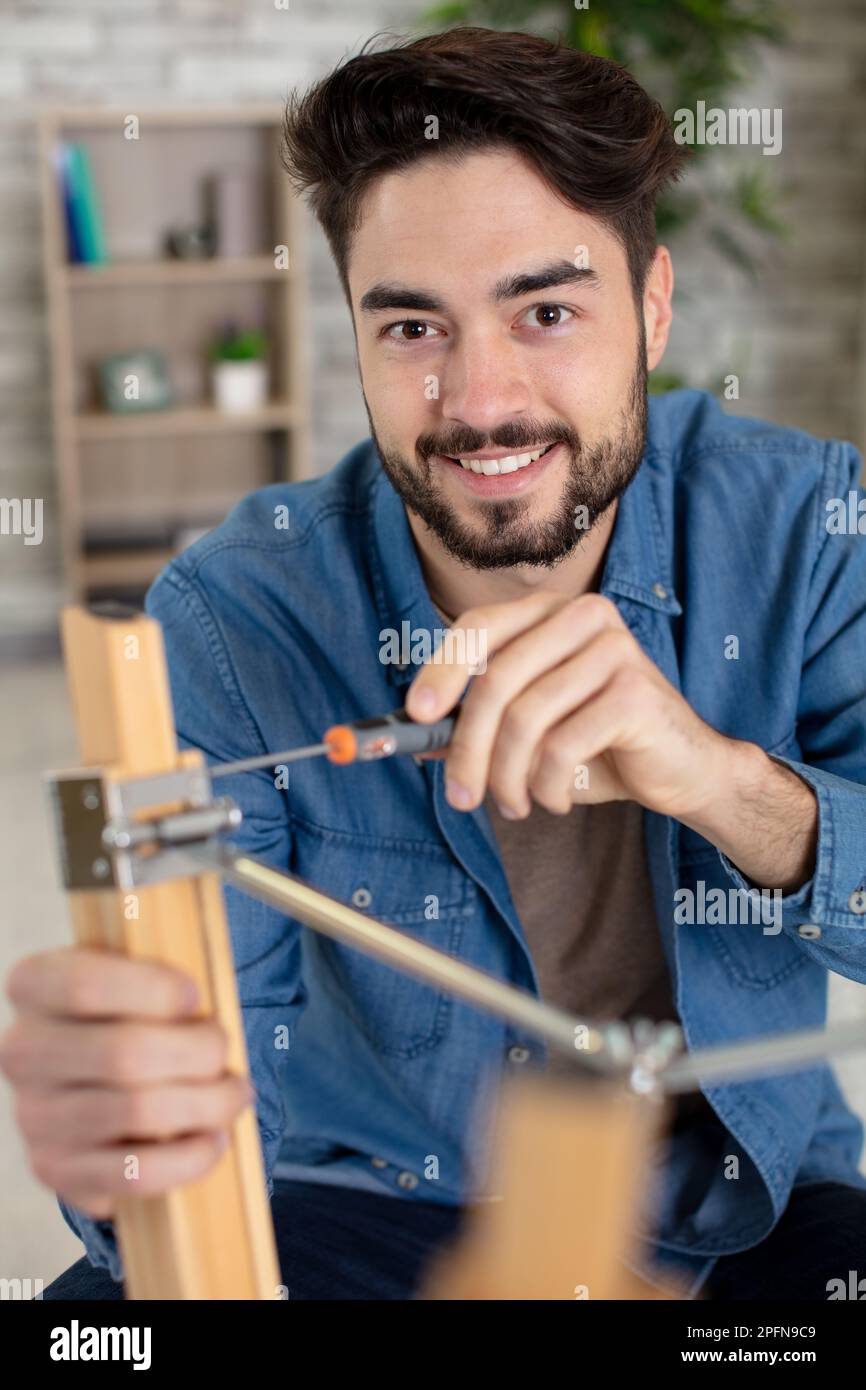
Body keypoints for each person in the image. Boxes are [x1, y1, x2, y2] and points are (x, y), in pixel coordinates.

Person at [4, 27, 866, 1302]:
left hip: (749, 1208)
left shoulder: (807, 525)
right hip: (382, 1213)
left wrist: (719, 783)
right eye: (412, 326)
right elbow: (188, 1137)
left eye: (547, 311)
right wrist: (131, 1157)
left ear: (653, 305)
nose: (477, 399)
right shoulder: (234, 615)